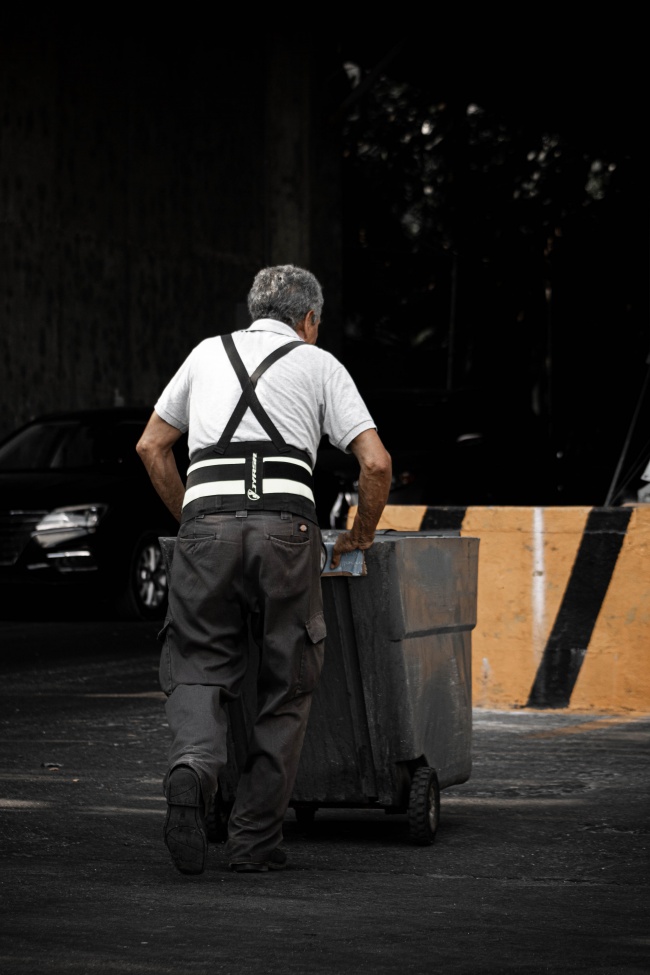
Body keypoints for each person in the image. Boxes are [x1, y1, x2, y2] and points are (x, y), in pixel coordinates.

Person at [136, 264, 392, 875]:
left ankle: (192, 771)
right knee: (287, 681)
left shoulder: (204, 354)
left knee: (198, 664)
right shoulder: (318, 363)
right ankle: (253, 842)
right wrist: (359, 534)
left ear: (256, 310)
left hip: (205, 530)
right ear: (308, 320)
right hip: (288, 531)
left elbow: (151, 445)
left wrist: (192, 519)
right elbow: (376, 464)